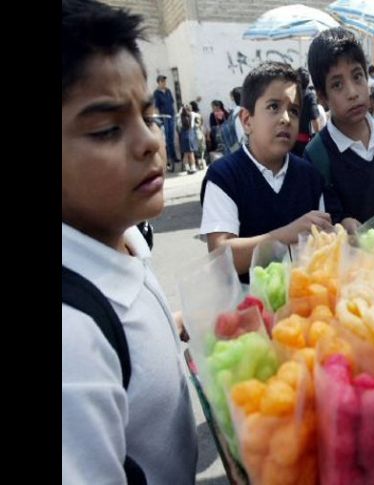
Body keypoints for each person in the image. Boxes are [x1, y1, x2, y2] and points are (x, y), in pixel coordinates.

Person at [62, 1, 197, 483]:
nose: (151, 143)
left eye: (148, 115)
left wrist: (183, 323)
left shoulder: (124, 236)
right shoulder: (72, 342)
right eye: (106, 130)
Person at [200, 62, 332, 282]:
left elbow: (322, 249)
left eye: (294, 111)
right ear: (246, 120)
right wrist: (284, 236)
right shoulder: (224, 176)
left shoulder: (310, 177)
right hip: (245, 302)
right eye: (273, 107)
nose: (286, 119)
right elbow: (221, 258)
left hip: (305, 299)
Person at [304, 28, 374, 232]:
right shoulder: (317, 155)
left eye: (357, 76)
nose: (353, 93)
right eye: (337, 85)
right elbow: (323, 224)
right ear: (322, 96)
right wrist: (341, 224)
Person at [292, 67, 322, 157]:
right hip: (303, 143)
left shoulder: (292, 94)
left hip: (290, 140)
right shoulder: (309, 96)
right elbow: (315, 120)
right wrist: (319, 139)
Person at [153, 74, 177, 170]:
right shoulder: (156, 93)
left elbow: (172, 103)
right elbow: (156, 107)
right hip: (164, 118)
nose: (164, 83)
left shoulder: (168, 91)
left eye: (165, 81)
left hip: (171, 116)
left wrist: (174, 114)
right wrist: (159, 120)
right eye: (162, 81)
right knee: (166, 139)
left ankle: (174, 156)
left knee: (171, 137)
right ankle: (169, 159)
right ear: (158, 82)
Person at [177, 105, 199, 174]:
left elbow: (178, 125)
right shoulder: (192, 114)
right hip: (190, 134)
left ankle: (187, 168)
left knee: (185, 154)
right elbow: (198, 115)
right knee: (191, 153)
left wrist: (181, 110)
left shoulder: (180, 117)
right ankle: (193, 168)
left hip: (183, 135)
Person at [189, 100, 207, 168]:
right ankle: (202, 162)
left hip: (193, 133)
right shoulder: (199, 115)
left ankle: (199, 163)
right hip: (199, 132)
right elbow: (201, 125)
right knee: (202, 149)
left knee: (195, 150)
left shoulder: (190, 115)